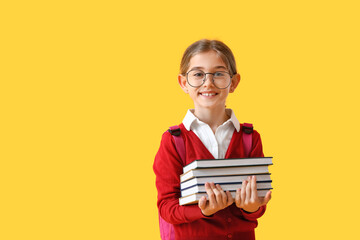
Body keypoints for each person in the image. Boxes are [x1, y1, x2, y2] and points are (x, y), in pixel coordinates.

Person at [153, 39, 272, 240]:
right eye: (198, 74)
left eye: (218, 74)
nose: (208, 82)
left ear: (233, 82)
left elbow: (257, 206)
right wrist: (203, 211)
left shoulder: (250, 138)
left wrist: (252, 208)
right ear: (184, 83)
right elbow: (167, 208)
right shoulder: (173, 141)